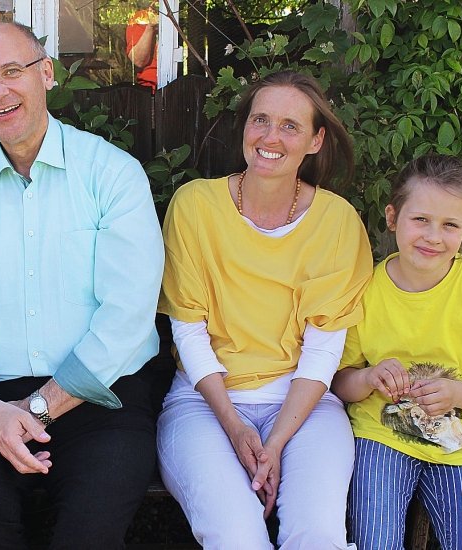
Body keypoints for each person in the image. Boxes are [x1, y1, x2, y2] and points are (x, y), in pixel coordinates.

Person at [0, 22, 164, 550]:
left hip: (103, 395)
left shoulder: (112, 175)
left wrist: (33, 411)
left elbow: (128, 317)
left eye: (12, 71)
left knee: (89, 535)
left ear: (46, 73)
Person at [157, 70, 373, 549]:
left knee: (316, 535)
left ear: (316, 141)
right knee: (236, 537)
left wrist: (274, 444)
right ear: (245, 129)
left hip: (305, 408)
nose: (270, 137)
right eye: (260, 120)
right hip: (204, 403)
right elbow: (187, 334)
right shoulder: (194, 206)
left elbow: (323, 352)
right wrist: (235, 428)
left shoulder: (337, 221)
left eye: (290, 126)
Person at [332, 155, 462, 550]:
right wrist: (369, 378)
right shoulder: (364, 290)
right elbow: (339, 381)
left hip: (460, 448)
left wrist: (457, 394)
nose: (433, 237)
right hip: (380, 437)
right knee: (376, 541)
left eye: (449, 224)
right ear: (392, 218)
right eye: (420, 219)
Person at [126, 4, 158, 91]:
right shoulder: (140, 18)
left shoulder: (177, 16)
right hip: (150, 90)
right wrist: (150, 27)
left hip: (180, 85)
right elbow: (138, 60)